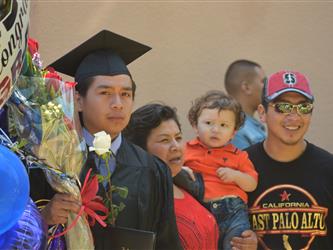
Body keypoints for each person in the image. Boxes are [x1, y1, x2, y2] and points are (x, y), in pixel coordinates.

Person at [29, 30, 182, 249]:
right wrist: (43, 219)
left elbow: (167, 243)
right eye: (105, 93)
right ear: (78, 100)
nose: (118, 103)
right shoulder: (48, 164)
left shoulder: (154, 170)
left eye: (126, 94)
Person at [246, 70, 333, 249]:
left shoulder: (329, 168)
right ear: (262, 113)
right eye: (283, 107)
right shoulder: (241, 165)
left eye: (303, 107)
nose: (294, 117)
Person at [124, 103, 219, 250]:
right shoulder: (138, 201)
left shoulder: (188, 183)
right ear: (141, 150)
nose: (176, 146)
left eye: (178, 137)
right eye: (165, 140)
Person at [185, 90, 258, 250]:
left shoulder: (239, 156)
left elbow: (252, 184)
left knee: (236, 245)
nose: (215, 130)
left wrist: (236, 176)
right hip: (200, 211)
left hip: (233, 212)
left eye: (223, 125)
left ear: (233, 132)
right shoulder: (186, 151)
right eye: (208, 123)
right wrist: (182, 170)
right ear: (195, 126)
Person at [224, 59, 266, 149]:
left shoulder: (248, 126)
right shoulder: (236, 130)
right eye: (263, 82)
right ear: (246, 87)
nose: (266, 87)